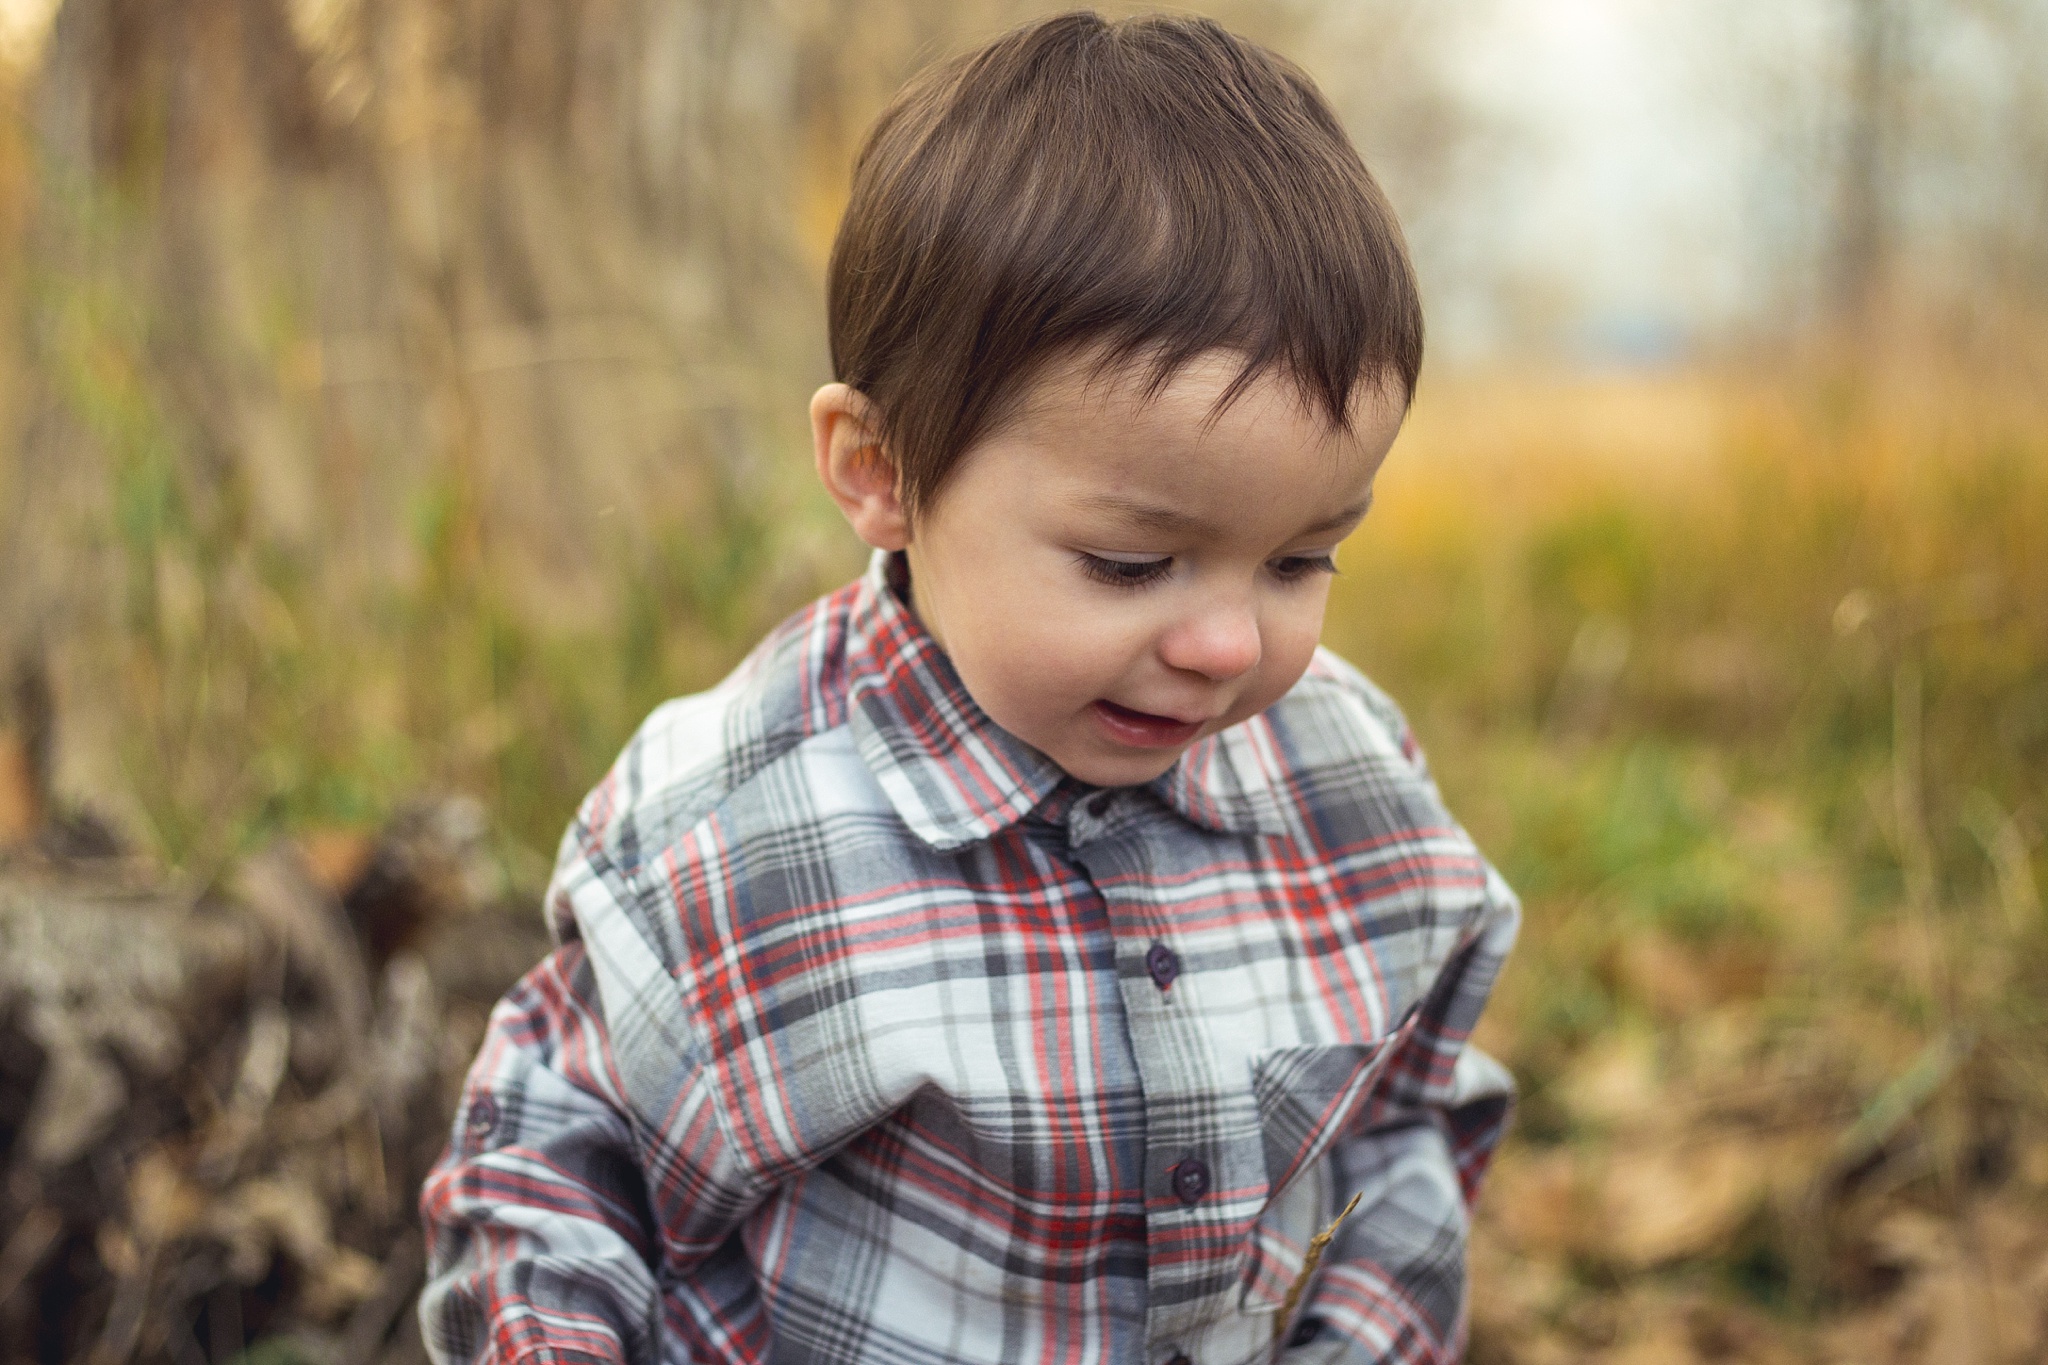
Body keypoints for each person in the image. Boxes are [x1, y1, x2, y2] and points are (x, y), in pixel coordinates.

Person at [419, 12, 1517, 1364]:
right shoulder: (739, 827)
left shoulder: (1347, 783)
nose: (1229, 643)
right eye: (1131, 561)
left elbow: (1403, 1122)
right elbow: (552, 1160)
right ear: (879, 468)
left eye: (1303, 557)